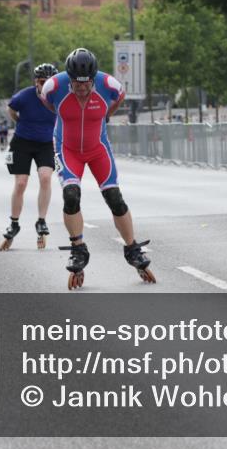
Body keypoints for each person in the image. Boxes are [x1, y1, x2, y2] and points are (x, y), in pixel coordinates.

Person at [40, 47, 154, 289]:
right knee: (71, 195)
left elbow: (117, 101)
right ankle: (78, 248)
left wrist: (103, 117)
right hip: (66, 148)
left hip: (98, 147)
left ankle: (132, 248)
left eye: (86, 84)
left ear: (94, 79)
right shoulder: (53, 87)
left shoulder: (110, 85)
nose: (81, 89)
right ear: (68, 78)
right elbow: (50, 105)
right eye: (76, 84)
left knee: (115, 197)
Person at [0, 63, 59, 252]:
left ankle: (41, 221)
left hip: (46, 143)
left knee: (45, 177)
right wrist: (20, 122)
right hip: (22, 142)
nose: (46, 85)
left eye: (50, 82)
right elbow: (11, 109)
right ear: (36, 82)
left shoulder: (58, 97)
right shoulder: (25, 95)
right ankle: (14, 223)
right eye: (42, 82)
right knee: (21, 183)